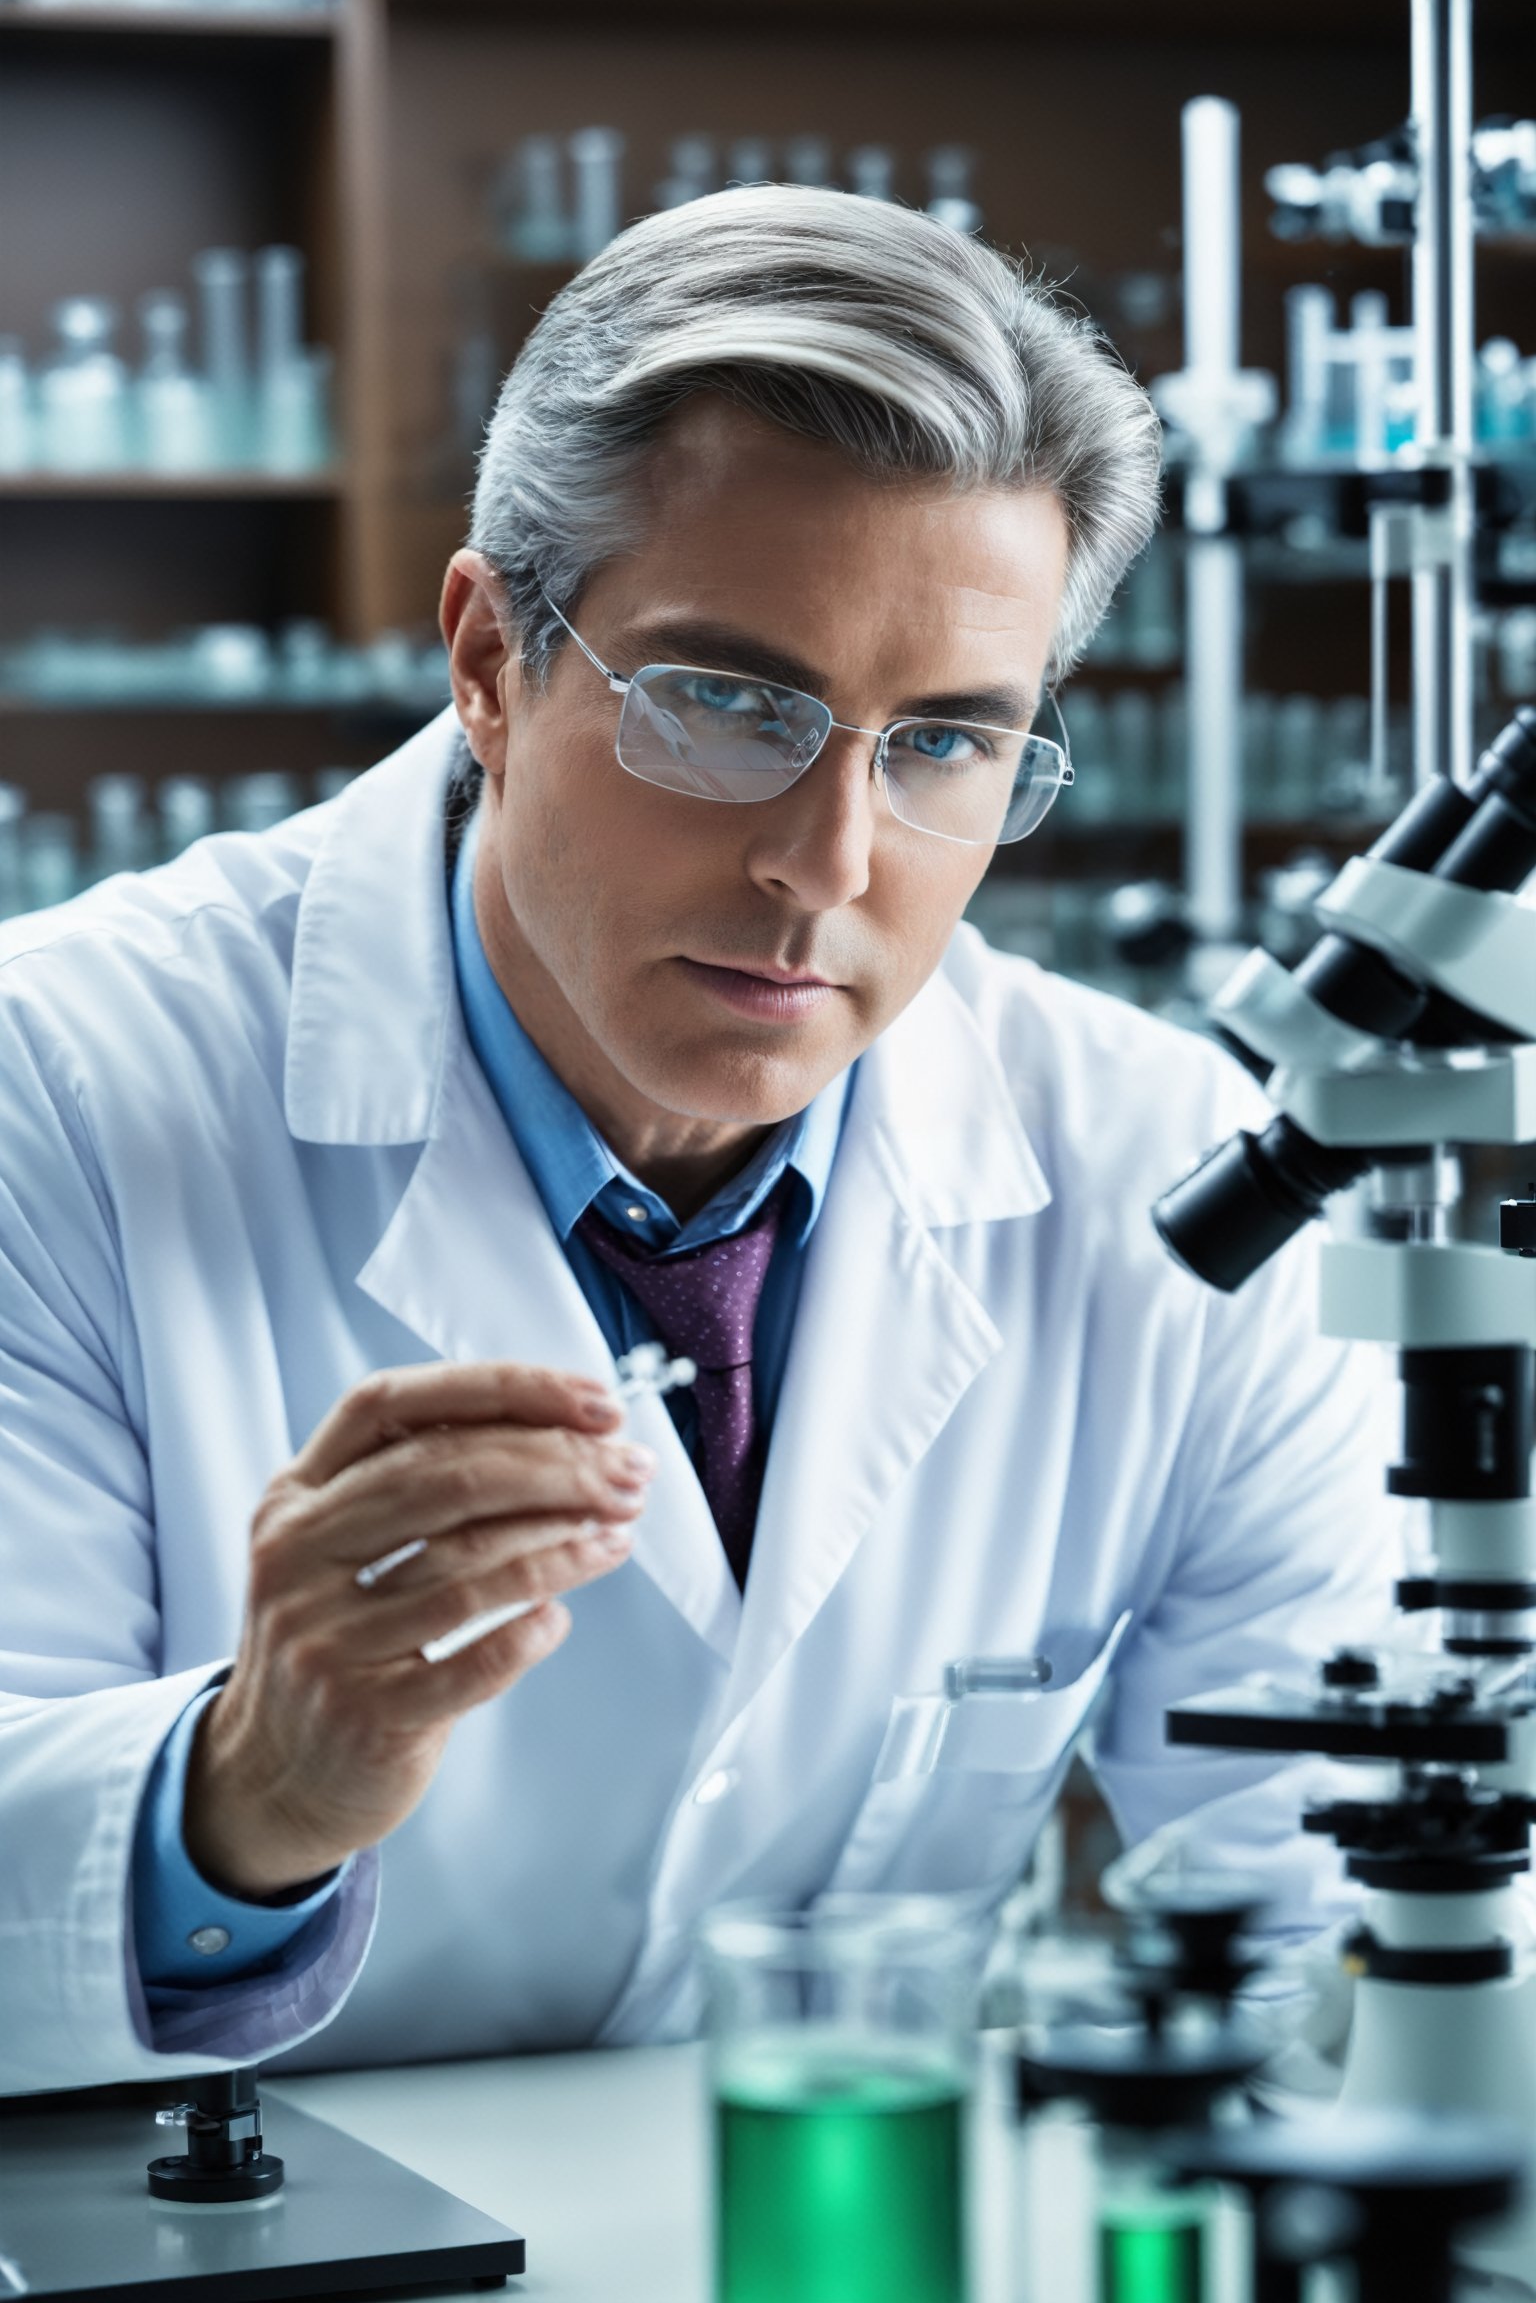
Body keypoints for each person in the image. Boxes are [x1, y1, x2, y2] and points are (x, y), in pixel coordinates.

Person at [0, 188, 1396, 2094]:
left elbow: (1347, 1924)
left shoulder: (1171, 1171)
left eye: (944, 744)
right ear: (492, 660)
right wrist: (242, 1794)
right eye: (732, 704)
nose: (826, 867)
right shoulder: (56, 1088)